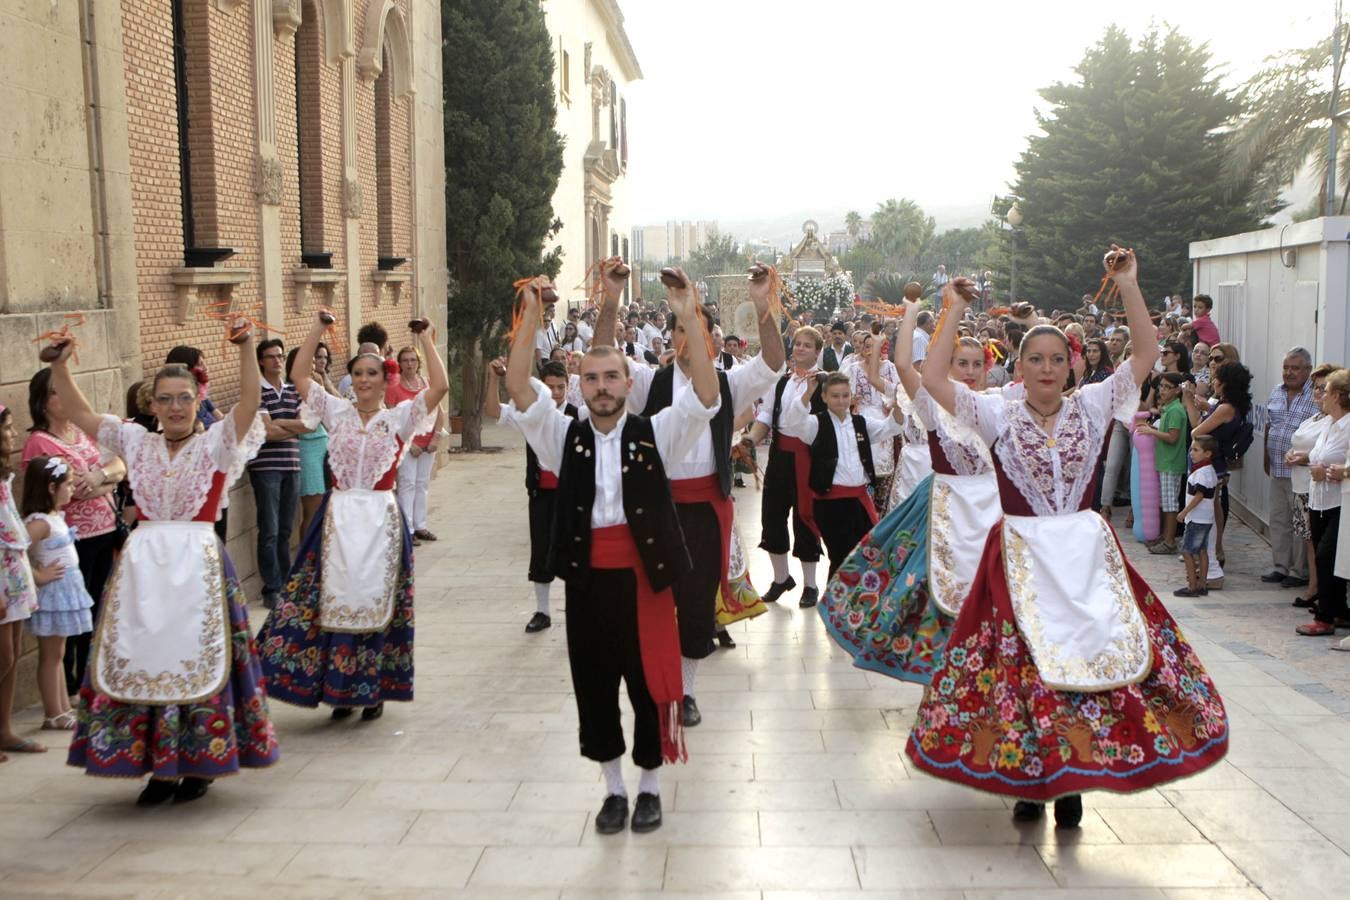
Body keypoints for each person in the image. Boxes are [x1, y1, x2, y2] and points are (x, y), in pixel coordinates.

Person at [907, 259, 1229, 828]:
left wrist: (1130, 284)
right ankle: (1035, 781)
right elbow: (933, 381)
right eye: (1036, 359)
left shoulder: (1095, 403)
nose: (1047, 368)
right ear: (1020, 366)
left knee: (1087, 660)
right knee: (1027, 671)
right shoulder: (994, 411)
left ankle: (1074, 774)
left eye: (1057, 359)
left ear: (1072, 364)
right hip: (1022, 556)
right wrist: (953, 310)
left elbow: (1146, 356)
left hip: (1083, 554)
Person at [505, 269, 720, 836]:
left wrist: (689, 314)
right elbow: (521, 387)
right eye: (592, 377)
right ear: (579, 382)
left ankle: (649, 786)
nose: (601, 386)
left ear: (629, 383)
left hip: (646, 582)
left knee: (649, 686)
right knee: (595, 687)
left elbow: (705, 395)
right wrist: (528, 317)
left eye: (611, 377)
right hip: (588, 583)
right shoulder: (562, 437)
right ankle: (614, 790)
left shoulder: (657, 433)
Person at [50, 318, 278, 805]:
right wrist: (60, 366)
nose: (175, 407)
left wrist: (245, 347)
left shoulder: (217, 443)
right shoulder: (135, 442)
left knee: (195, 656)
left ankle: (198, 764)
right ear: (150, 405)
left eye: (184, 398)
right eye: (165, 399)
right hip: (143, 570)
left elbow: (250, 402)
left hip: (197, 565)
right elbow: (82, 414)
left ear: (197, 400)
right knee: (147, 657)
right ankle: (157, 767)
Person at [593, 257, 784, 724]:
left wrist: (762, 305)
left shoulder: (727, 385)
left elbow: (774, 361)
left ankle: (686, 691)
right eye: (683, 331)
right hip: (655, 506)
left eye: (700, 332)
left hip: (705, 510)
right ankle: (650, 684)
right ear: (673, 339)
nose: (691, 340)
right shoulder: (647, 384)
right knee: (652, 598)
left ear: (711, 343)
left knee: (697, 601)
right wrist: (612, 298)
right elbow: (600, 356)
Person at [258, 311, 447, 720]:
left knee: (373, 600)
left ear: (385, 379)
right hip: (338, 517)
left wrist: (426, 338)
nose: (364, 380)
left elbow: (440, 387)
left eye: (372, 373)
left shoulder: (399, 419)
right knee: (331, 600)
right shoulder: (336, 412)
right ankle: (336, 689)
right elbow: (300, 377)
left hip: (380, 519)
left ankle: (371, 687)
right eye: (358, 373)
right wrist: (316, 330)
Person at [820, 298, 999, 684]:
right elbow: (902, 366)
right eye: (960, 364)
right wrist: (914, 313)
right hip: (945, 507)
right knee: (929, 588)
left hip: (995, 514)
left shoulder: (1001, 406)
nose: (969, 372)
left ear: (988, 367)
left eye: (976, 364)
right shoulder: (934, 406)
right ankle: (938, 672)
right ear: (946, 368)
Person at [22, 368, 127, 694]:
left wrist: (99, 476)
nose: (64, 398)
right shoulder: (38, 442)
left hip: (106, 530)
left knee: (98, 606)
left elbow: (120, 467)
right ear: (41, 402)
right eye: (56, 392)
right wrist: (101, 482)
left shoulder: (83, 432)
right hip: (71, 538)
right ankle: (72, 684)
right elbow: (69, 490)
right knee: (77, 611)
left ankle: (93, 675)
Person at [484, 357, 577, 633]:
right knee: (541, 550)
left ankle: (578, 611)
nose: (557, 393)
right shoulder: (529, 415)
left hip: (571, 496)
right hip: (541, 494)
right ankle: (543, 610)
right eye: (551, 387)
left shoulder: (579, 414)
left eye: (561, 387)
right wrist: (494, 379)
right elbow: (493, 411)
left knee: (575, 551)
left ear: (568, 386)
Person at [745, 326, 827, 606]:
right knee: (772, 516)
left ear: (817, 351)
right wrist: (751, 438)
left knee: (805, 518)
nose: (800, 348)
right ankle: (781, 579)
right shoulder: (781, 382)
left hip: (808, 457)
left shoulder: (825, 383)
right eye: (798, 344)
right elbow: (766, 414)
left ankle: (811, 585)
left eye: (807, 345)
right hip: (780, 455)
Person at [21, 456, 92, 731]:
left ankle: (62, 708)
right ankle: (53, 713)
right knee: (51, 657)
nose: (72, 489)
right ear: (51, 487)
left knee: (58, 655)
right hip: (53, 594)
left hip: (65, 591)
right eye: (69, 484)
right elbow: (15, 550)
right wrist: (38, 576)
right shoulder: (39, 522)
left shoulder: (54, 518)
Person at [250, 339, 308, 610]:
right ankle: (271, 587)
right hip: (266, 468)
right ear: (261, 361)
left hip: (292, 464)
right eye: (271, 356)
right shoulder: (256, 392)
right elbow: (266, 432)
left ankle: (286, 583)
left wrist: (279, 423)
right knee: (270, 530)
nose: (276, 361)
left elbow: (308, 424)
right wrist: (289, 426)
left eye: (279, 356)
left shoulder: (293, 391)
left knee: (286, 529)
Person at [1297, 367, 1350, 637]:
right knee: (1326, 556)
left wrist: (1336, 472)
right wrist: (1304, 458)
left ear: (1339, 396)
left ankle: (1325, 615)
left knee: (1327, 556)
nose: (1321, 396)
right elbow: (1320, 455)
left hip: (1340, 501)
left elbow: (1341, 464)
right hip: (1319, 500)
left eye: (1326, 391)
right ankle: (1340, 610)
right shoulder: (1328, 423)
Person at [0, 404, 40, 760]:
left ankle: (4, 729)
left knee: (11, 655)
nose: (13, 434)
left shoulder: (3, 474)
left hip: (12, 567)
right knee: (4, 655)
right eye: (8, 428)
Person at [1263, 348, 1317, 587]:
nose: (1289, 372)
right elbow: (1269, 426)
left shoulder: (1314, 395)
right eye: (1286, 367)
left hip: (1302, 473)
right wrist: (1266, 457)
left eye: (1295, 368)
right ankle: (1280, 567)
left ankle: (1299, 571)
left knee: (1300, 524)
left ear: (1308, 370)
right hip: (1278, 468)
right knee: (1278, 520)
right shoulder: (1276, 391)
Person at [1288, 365, 1337, 611]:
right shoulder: (1315, 418)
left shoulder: (1335, 421)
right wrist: (1292, 454)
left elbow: (1326, 455)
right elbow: (1301, 442)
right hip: (1301, 485)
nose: (1318, 393)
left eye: (1323, 388)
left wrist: (1303, 457)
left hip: (1318, 489)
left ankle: (1318, 588)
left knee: (1319, 544)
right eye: (1315, 387)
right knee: (1309, 540)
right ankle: (1316, 585)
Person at [388, 344, 444, 544]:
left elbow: (439, 412)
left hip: (427, 443)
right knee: (407, 484)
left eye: (413, 360)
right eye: (405, 360)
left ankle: (420, 525)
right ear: (400, 364)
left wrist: (435, 437)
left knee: (422, 484)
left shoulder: (427, 384)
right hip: (408, 446)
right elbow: (391, 419)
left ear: (419, 362)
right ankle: (407, 529)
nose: (409, 364)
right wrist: (407, 444)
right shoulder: (394, 388)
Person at [290, 343, 337, 540]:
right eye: (307, 362)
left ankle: (321, 551)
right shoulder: (292, 390)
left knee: (327, 504)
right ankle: (307, 559)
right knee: (312, 507)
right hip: (307, 447)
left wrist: (324, 381)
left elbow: (339, 406)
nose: (313, 365)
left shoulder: (318, 384)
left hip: (324, 445)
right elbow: (304, 422)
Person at [1138, 373, 1189, 554]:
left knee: (1170, 505)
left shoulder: (1175, 410)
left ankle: (1169, 541)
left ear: (1177, 390)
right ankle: (1165, 537)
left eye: (1168, 387)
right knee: (1165, 503)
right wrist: (1153, 429)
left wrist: (1151, 432)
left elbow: (1172, 438)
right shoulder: (1169, 408)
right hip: (1166, 462)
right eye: (1161, 386)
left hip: (1171, 463)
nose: (1163, 390)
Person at [1175, 435, 1219, 597]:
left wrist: (1184, 511)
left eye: (1195, 450)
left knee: (1187, 551)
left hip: (1197, 519)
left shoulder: (1202, 473)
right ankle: (1202, 584)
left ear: (1207, 454)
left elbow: (1199, 495)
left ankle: (1192, 586)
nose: (1191, 453)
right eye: (1191, 449)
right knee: (1202, 551)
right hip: (1205, 518)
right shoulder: (1210, 470)